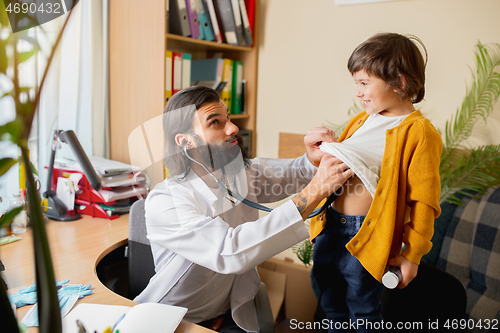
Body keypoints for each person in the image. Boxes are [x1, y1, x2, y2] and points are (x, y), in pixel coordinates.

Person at [134, 86, 354, 332]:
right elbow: (230, 251)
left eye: (227, 117)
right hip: (174, 320)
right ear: (185, 141)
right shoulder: (167, 201)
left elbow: (294, 174)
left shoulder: (238, 173)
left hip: (226, 313)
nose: (232, 128)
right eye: (215, 122)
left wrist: (313, 159)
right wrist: (314, 192)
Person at [309, 33, 442, 332]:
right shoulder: (361, 120)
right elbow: (339, 169)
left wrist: (412, 256)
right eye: (357, 83)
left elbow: (424, 201)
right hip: (331, 226)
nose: (359, 93)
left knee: (362, 310)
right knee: (330, 305)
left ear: (400, 82)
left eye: (364, 83)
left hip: (365, 237)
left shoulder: (419, 133)